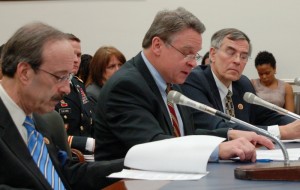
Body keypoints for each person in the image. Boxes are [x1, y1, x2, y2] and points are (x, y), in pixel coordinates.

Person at [94, 7, 274, 162]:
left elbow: (185, 134)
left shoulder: (173, 83)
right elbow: (153, 145)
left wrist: (228, 135)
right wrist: (217, 150)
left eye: (195, 55)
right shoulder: (127, 86)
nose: (193, 63)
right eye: (187, 53)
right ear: (157, 45)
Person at [0, 22, 123, 190]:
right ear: (24, 73)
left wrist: (132, 165)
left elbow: (66, 173)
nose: (66, 89)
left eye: (69, 77)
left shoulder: (38, 119)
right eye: (59, 77)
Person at [181, 28, 300, 140]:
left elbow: (268, 117)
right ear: (213, 54)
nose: (237, 61)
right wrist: (281, 132)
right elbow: (217, 127)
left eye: (244, 56)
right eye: (230, 53)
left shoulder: (243, 84)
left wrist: (295, 123)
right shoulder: (195, 80)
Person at [55, 34, 95, 154]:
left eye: (78, 55)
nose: (76, 60)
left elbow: (89, 121)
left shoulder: (78, 85)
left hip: (87, 156)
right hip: (66, 156)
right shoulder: (51, 87)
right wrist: (88, 143)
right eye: (72, 55)